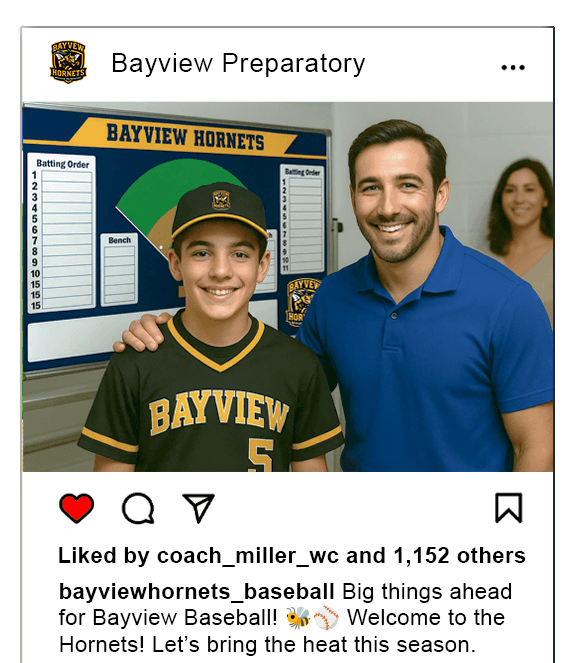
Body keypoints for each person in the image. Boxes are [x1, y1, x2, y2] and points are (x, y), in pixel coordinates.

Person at [114, 121, 553, 473]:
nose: (387, 206)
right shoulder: (333, 297)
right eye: (370, 187)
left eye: (407, 185)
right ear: (352, 197)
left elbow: (536, 447)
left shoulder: (508, 301)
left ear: (440, 194)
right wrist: (172, 335)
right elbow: (276, 389)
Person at [79, 182, 343, 471]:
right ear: (176, 264)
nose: (220, 271)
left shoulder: (298, 365)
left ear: (262, 266)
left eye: (240, 254)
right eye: (201, 253)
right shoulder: (135, 363)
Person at [486, 158, 553, 325]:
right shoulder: (483, 258)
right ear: (500, 199)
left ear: (545, 199)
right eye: (510, 190)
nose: (519, 199)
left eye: (529, 189)